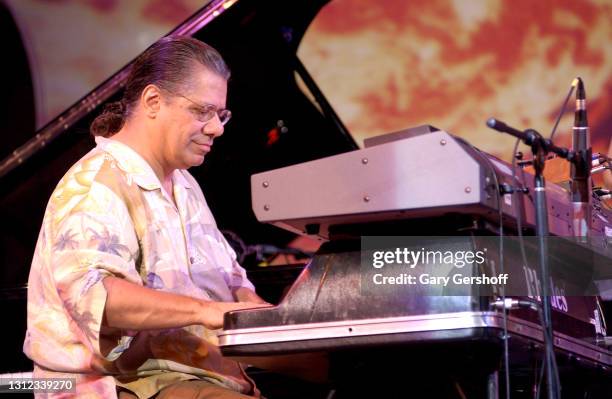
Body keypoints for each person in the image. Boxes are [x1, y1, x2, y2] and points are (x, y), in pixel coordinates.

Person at [24, 35, 270, 398]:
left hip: (193, 375)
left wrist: (287, 323)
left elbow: (231, 285)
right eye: (202, 112)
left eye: (221, 114)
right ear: (153, 101)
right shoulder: (96, 184)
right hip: (121, 384)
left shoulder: (184, 185)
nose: (217, 128)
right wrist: (205, 311)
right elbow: (98, 298)